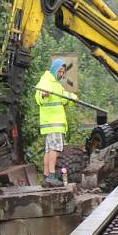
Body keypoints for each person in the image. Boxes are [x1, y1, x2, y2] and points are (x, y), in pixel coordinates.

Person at [35, 58, 77, 188]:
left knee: (49, 149)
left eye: (63, 72)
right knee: (55, 148)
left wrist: (73, 98)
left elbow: (63, 98)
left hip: (53, 123)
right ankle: (52, 175)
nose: (61, 74)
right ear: (54, 69)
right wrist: (44, 95)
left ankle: (47, 175)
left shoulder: (56, 84)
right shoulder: (46, 80)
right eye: (60, 71)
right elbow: (39, 95)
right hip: (53, 122)